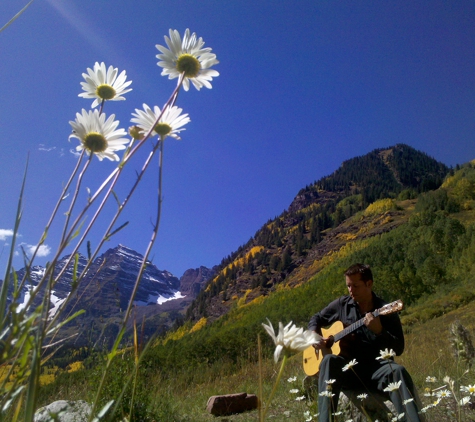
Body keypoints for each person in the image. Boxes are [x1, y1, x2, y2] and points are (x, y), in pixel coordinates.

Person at [308, 263, 422, 422]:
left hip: (377, 369)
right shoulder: (342, 304)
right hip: (349, 370)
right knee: (328, 361)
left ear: (369, 284)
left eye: (355, 285)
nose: (350, 290)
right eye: (348, 286)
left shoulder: (385, 310)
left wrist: (380, 331)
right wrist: (314, 334)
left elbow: (399, 348)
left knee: (398, 371)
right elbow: (316, 318)